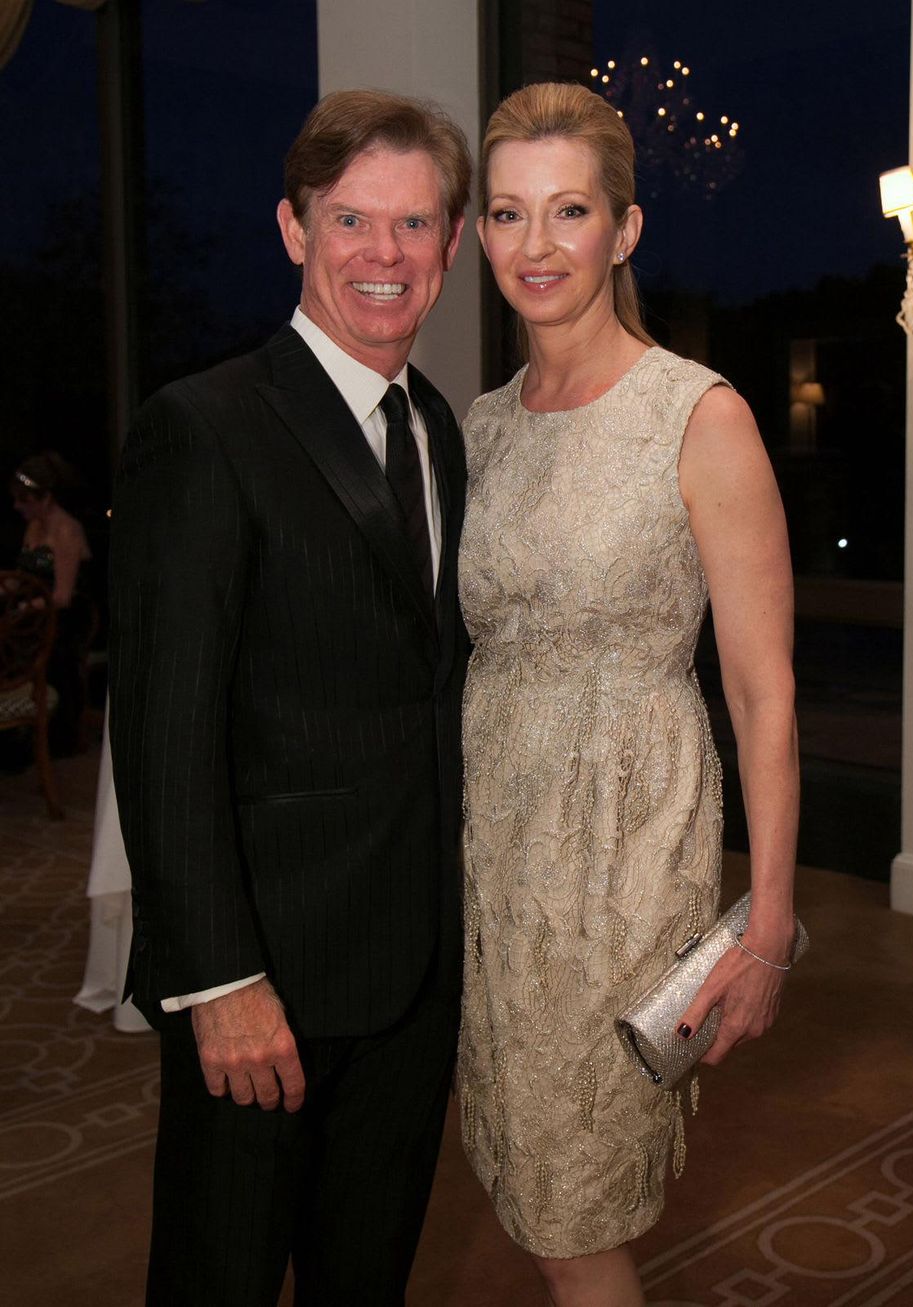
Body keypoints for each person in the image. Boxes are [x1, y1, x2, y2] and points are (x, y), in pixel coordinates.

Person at [108, 90, 472, 1306]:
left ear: (452, 245)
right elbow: (162, 734)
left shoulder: (437, 429)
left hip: (414, 976)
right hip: (264, 982)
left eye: (412, 225)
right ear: (292, 229)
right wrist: (217, 980)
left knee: (363, 1279)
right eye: (351, 220)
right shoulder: (203, 429)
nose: (383, 254)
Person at [457, 83, 799, 1307]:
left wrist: (765, 926)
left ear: (625, 228)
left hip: (622, 855)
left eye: (567, 211)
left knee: (572, 1208)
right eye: (505, 213)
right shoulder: (483, 430)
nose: (534, 246)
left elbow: (762, 695)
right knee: (520, 1178)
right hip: (493, 859)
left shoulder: (696, 415)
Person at [10, 451, 93, 754]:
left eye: (24, 500)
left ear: (44, 498)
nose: (17, 507)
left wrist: (24, 608)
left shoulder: (67, 530)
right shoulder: (34, 527)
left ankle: (43, 733)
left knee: (18, 641)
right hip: (35, 613)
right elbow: (23, 577)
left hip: (65, 618)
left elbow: (63, 596)